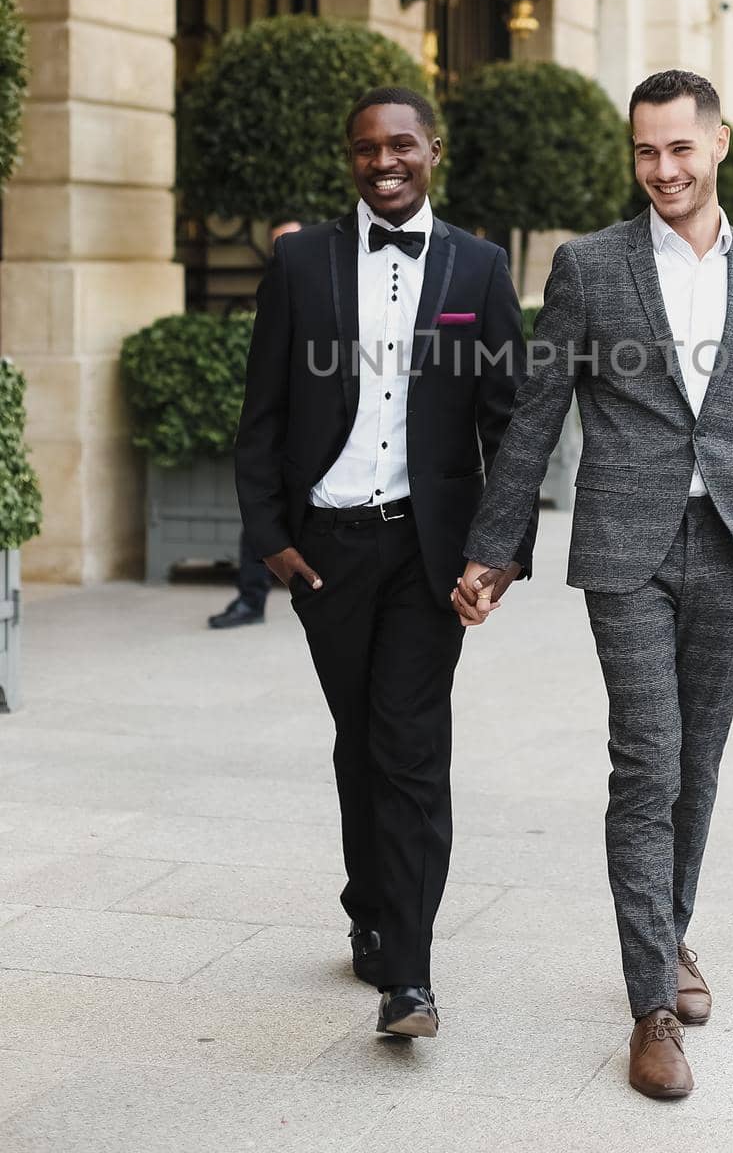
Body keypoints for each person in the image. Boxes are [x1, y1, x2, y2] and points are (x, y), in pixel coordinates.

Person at [453, 69, 733, 1101]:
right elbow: (533, 417)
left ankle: (671, 935)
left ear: (717, 148)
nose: (661, 169)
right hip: (625, 551)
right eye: (643, 151)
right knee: (646, 759)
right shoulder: (589, 266)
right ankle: (649, 1004)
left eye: (677, 149)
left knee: (696, 762)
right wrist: (496, 547)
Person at [234, 87, 535, 1040]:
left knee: (409, 747)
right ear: (350, 160)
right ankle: (368, 906)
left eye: (400, 144)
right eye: (365, 148)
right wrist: (272, 540)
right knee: (357, 738)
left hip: (424, 552)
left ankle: (409, 974)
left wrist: (500, 553)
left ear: (432, 150)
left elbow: (511, 424)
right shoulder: (300, 260)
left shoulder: (478, 268)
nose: (383, 161)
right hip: (325, 551)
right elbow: (264, 414)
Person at [210, 219, 304, 630]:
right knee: (259, 519)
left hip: (318, 442)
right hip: (280, 436)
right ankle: (251, 598)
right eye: (276, 245)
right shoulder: (276, 291)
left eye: (290, 242)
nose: (281, 251)